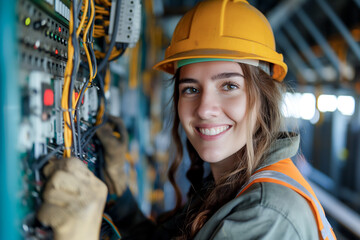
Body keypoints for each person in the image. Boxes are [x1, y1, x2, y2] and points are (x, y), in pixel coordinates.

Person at [37, 0, 337, 239]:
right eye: (191, 89)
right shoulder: (227, 186)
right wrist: (120, 194)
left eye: (229, 86)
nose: (205, 108)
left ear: (264, 99)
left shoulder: (265, 215)